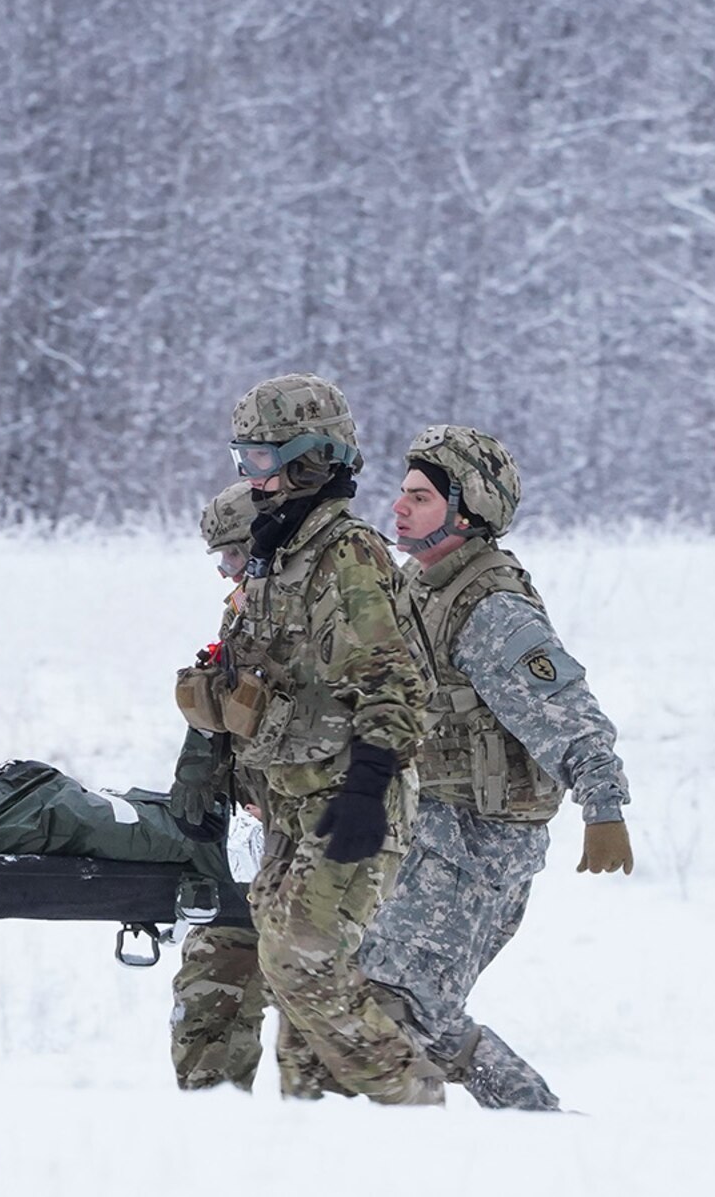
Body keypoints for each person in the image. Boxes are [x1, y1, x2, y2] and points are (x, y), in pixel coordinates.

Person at [359, 425, 633, 1110]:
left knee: (392, 1004)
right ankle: (530, 1118)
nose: (398, 507)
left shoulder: (491, 608)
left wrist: (603, 806)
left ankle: (431, 1152)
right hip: (426, 829)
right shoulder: (417, 586)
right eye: (401, 493)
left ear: (466, 509)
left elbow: (567, 711)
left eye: (419, 497)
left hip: (481, 845)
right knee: (385, 996)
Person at [215, 373, 445, 1104]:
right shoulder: (278, 551)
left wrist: (368, 788)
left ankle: (420, 1105)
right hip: (290, 799)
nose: (249, 477)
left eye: (260, 460)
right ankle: (317, 1141)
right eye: (241, 459)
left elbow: (396, 682)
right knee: (296, 990)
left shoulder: (345, 555)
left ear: (310, 459)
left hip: (348, 795)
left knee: (301, 960)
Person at [167, 481, 270, 1091]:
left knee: (330, 1014)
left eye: (232, 556)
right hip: (254, 837)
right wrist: (203, 754)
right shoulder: (244, 612)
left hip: (334, 840)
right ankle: (210, 1132)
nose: (224, 571)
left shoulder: (342, 605)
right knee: (211, 987)